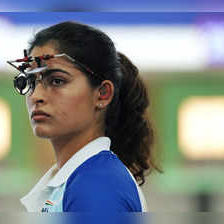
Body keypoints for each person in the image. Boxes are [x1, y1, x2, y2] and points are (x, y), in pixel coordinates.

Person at [9, 21, 160, 212]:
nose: (37, 96)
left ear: (102, 94)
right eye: (30, 80)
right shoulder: (79, 177)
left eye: (56, 80)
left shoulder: (96, 184)